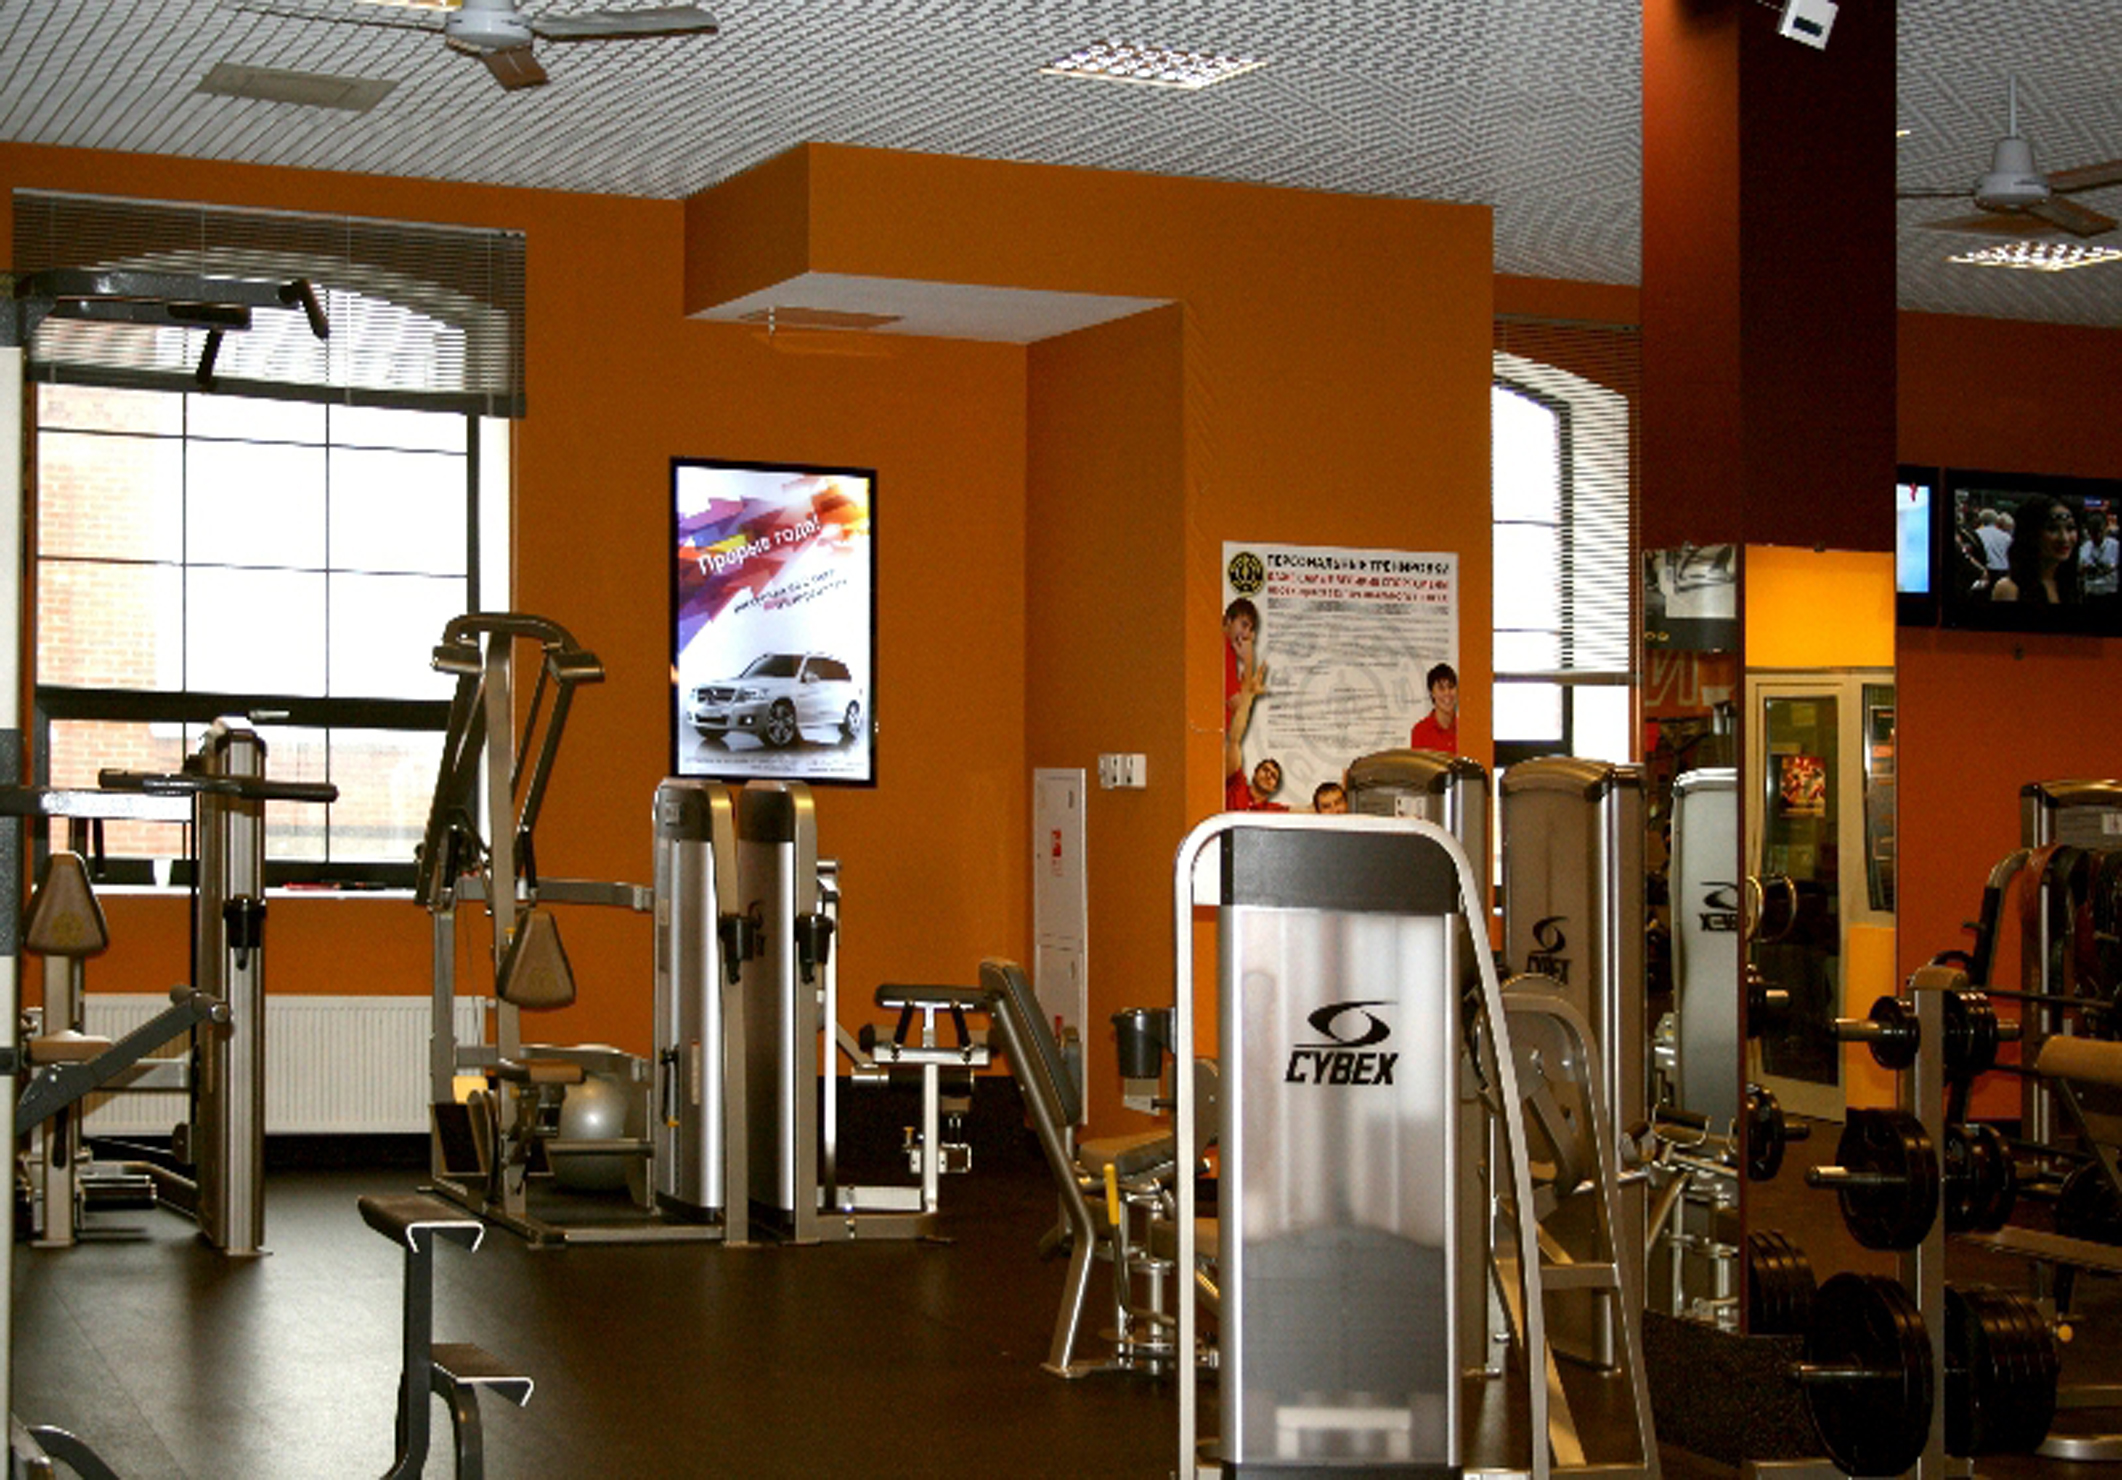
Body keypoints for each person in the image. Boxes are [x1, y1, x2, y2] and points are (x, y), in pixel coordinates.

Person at [1991, 493, 2082, 604]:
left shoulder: (2071, 585)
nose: (2064, 538)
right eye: (2052, 529)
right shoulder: (2009, 589)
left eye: (2070, 528)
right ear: (2032, 535)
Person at [1225, 662, 1287, 811]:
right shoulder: (1236, 785)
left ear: (1274, 789)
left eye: (1273, 776)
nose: (1268, 776)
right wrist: (1250, 695)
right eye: (1265, 770)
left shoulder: (1274, 811)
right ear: (1255, 772)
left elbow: (1312, 810)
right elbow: (1234, 740)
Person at [1223, 597, 1259, 727]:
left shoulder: (1228, 649)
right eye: (1243, 625)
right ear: (1229, 620)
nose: (1246, 634)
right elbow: (1240, 709)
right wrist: (1249, 661)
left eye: (1250, 629)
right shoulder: (1224, 650)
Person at [1409, 662, 1459, 753]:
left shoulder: (1465, 729)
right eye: (1441, 688)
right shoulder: (1421, 732)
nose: (1447, 693)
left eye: (1451, 687)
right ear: (1432, 693)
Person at [2080, 509, 2119, 600]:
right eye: (2093, 532)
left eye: (2100, 531)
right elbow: (2081, 571)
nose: (2097, 536)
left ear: (2106, 529)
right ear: (2088, 532)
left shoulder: (2115, 546)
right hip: (2091, 594)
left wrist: (2110, 568)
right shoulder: (2084, 548)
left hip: (2111, 593)